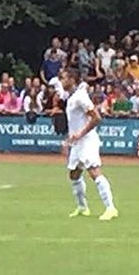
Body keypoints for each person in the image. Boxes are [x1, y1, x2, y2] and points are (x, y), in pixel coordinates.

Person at [50, 69, 119, 221]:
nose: (62, 81)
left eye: (64, 78)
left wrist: (80, 134)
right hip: (77, 141)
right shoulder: (73, 95)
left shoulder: (80, 97)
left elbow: (97, 118)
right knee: (74, 174)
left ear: (72, 80)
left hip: (87, 140)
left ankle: (110, 208)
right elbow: (63, 94)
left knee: (94, 172)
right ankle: (82, 207)